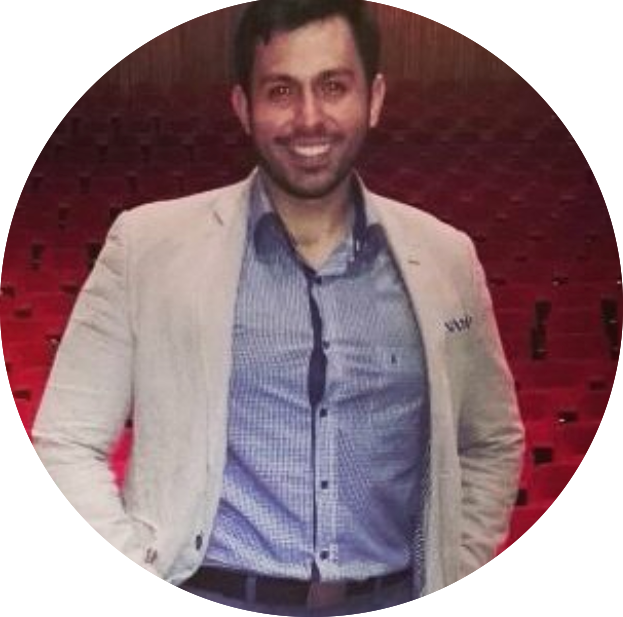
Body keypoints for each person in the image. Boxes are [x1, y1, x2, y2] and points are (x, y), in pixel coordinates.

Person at [33, 0, 525, 613]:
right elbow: (65, 442)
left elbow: (492, 441)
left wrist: (460, 565)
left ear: (373, 98)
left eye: (334, 86)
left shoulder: (447, 257)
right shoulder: (146, 246)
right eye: (281, 91)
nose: (309, 118)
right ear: (244, 106)